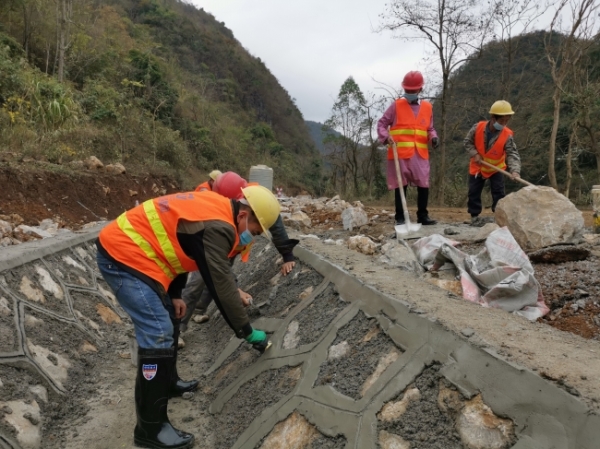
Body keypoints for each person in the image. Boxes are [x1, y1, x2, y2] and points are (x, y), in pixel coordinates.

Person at [95, 185, 280, 449]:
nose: (253, 236)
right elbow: (221, 285)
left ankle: (168, 383)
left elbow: (177, 245)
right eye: (255, 229)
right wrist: (248, 332)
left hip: (146, 256)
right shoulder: (220, 227)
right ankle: (150, 429)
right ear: (243, 215)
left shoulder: (217, 210)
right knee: (158, 331)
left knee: (169, 317)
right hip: (124, 255)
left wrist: (176, 294)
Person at [181, 171, 298, 330]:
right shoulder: (209, 199)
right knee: (199, 279)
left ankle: (199, 310)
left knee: (216, 275)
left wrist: (287, 255)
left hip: (232, 244)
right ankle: (179, 326)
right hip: (211, 241)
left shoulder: (256, 199)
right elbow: (219, 271)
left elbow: (274, 220)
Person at [377, 70, 439, 226]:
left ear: (420, 90)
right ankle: (400, 217)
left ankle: (423, 216)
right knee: (400, 184)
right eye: (407, 90)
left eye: (413, 90)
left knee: (423, 184)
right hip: (400, 153)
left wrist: (433, 137)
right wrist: (386, 137)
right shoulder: (396, 106)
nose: (410, 93)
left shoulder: (427, 107)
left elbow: (429, 128)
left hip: (420, 154)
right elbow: (382, 124)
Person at [464, 100, 521, 225]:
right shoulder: (477, 128)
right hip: (478, 166)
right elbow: (467, 142)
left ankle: (499, 217)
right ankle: (474, 216)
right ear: (493, 118)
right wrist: (475, 154)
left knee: (499, 193)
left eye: (507, 121)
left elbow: (512, 153)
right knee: (474, 191)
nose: (504, 124)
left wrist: (515, 170)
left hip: (496, 168)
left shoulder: (507, 135)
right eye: (502, 121)